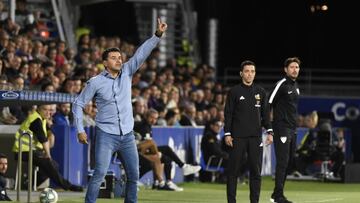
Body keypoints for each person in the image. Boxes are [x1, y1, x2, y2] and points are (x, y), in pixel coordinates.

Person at [72, 18, 168, 203]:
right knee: (99, 173)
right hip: (106, 135)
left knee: (134, 175)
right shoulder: (95, 82)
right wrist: (80, 129)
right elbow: (78, 104)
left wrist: (157, 35)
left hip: (127, 135)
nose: (119, 60)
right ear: (105, 63)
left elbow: (142, 53)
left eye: (120, 57)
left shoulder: (127, 72)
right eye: (114, 58)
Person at [224, 60, 273, 203]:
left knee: (256, 173)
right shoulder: (234, 92)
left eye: (252, 71)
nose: (249, 74)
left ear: (255, 73)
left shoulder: (261, 92)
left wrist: (270, 131)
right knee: (233, 172)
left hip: (255, 138)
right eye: (247, 71)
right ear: (241, 74)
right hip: (237, 138)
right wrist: (227, 133)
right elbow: (228, 114)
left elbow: (266, 115)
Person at [12, 104, 83, 192]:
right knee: (48, 162)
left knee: (54, 165)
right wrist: (48, 155)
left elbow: (47, 133)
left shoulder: (41, 119)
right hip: (22, 151)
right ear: (38, 109)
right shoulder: (35, 119)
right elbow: (43, 139)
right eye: (45, 109)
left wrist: (51, 133)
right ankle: (68, 186)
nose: (48, 112)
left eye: (49, 110)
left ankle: (29, 184)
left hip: (32, 150)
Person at [134, 108, 201, 191]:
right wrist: (156, 152)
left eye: (155, 118)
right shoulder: (142, 126)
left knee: (166, 158)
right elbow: (146, 145)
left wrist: (155, 152)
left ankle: (164, 182)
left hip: (141, 151)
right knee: (158, 156)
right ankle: (178, 170)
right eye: (151, 117)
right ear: (146, 117)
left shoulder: (147, 126)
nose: (153, 120)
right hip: (135, 152)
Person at [268, 57, 301, 203]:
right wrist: (268, 127)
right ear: (286, 69)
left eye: (297, 67)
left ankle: (277, 194)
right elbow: (268, 104)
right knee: (282, 162)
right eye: (292, 67)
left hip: (292, 129)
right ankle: (278, 196)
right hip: (281, 128)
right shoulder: (281, 84)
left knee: (288, 162)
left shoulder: (296, 86)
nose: (295, 70)